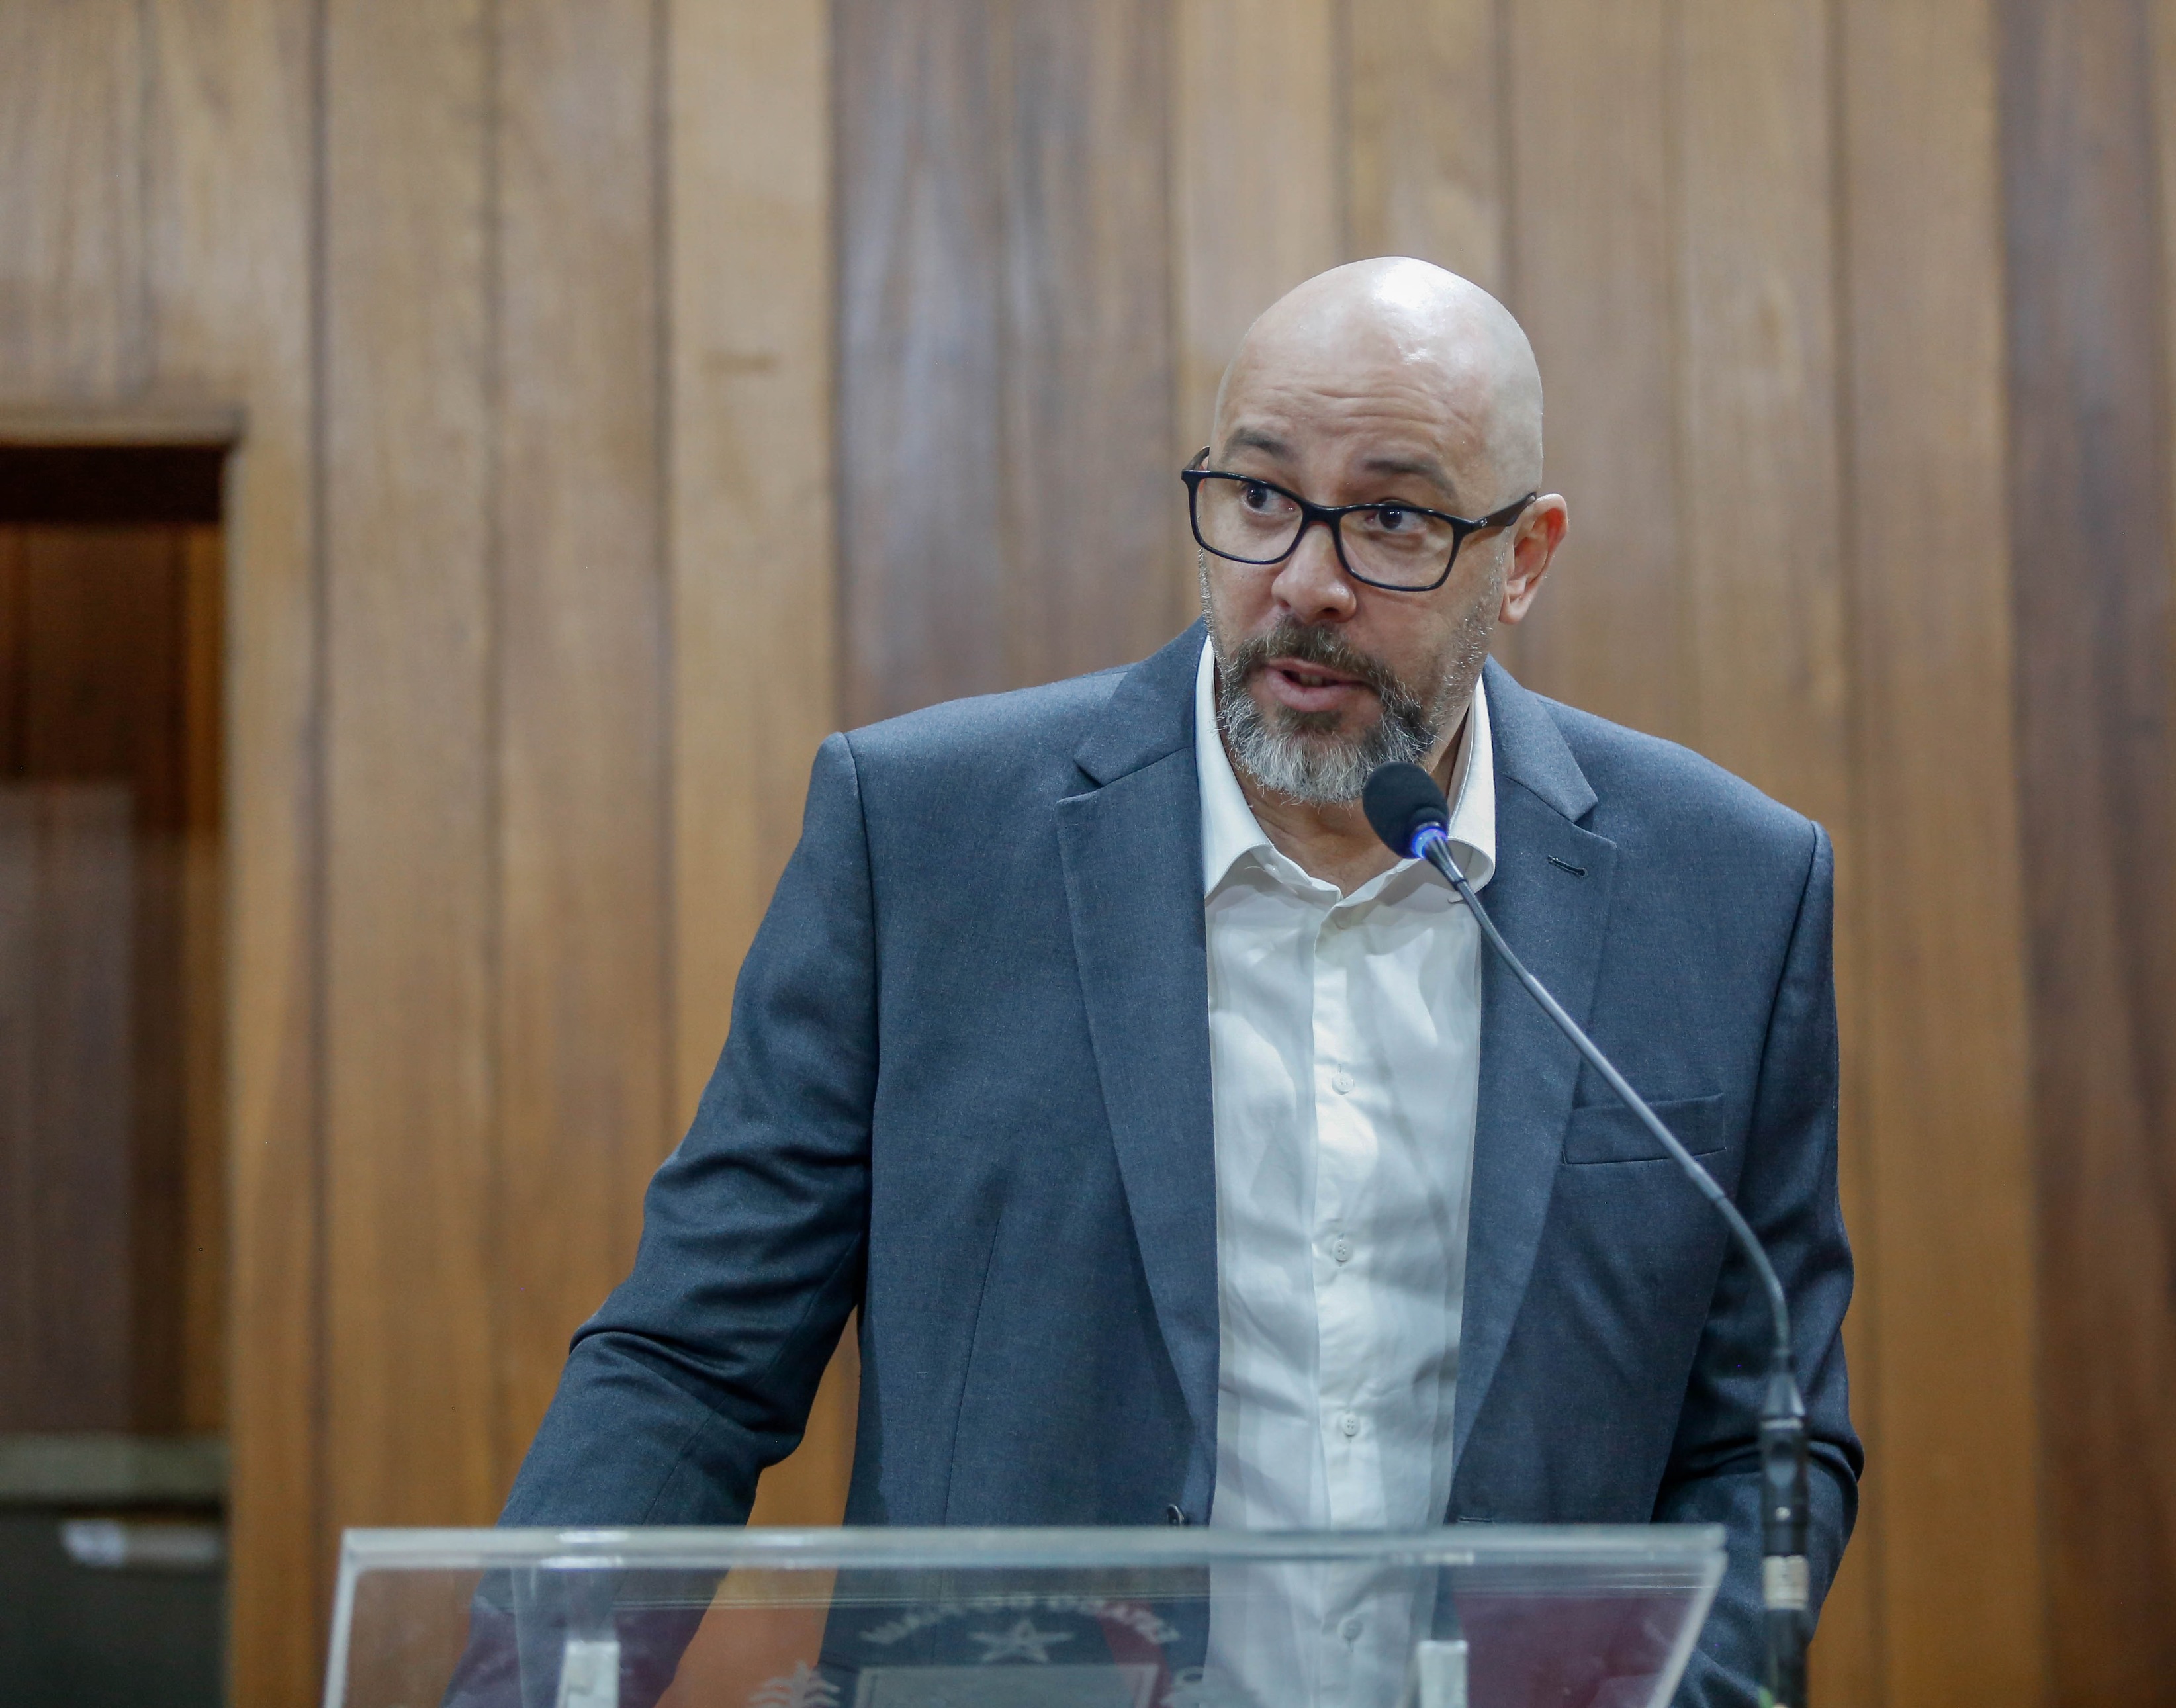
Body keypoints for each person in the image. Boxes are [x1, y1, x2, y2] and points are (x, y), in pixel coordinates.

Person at [489, 257, 1858, 1706]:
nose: (1307, 581)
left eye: (1393, 519)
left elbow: (1764, 1440)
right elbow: (695, 1358)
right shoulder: (928, 841)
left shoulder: (1725, 891)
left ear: (1523, 557)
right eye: (1259, 496)